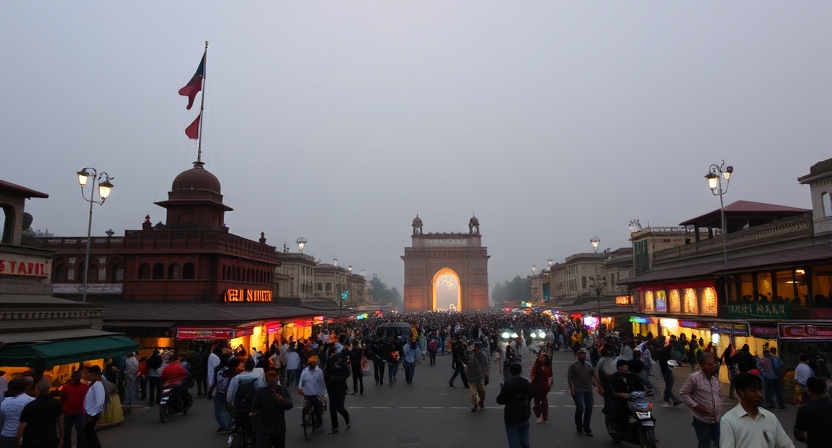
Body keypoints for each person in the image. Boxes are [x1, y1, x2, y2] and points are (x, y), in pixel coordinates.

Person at [720, 372, 794, 448]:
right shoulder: (729, 420)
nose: (759, 394)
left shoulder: (770, 417)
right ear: (741, 393)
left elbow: (786, 445)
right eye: (753, 390)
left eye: (760, 390)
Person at [679, 352, 722, 448]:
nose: (712, 366)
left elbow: (717, 396)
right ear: (702, 365)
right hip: (701, 421)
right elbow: (683, 393)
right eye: (708, 364)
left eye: (713, 363)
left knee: (720, 444)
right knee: (704, 444)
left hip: (716, 420)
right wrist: (696, 406)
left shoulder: (715, 380)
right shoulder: (694, 378)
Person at [250, 370, 293, 448]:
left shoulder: (282, 391)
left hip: (278, 428)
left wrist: (282, 400)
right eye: (268, 377)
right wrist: (254, 415)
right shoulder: (261, 392)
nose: (271, 380)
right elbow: (254, 407)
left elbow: (289, 406)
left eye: (273, 377)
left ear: (277, 378)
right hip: (264, 428)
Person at [604, 359, 648, 434]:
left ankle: (648, 429)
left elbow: (645, 384)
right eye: (623, 367)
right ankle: (620, 429)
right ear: (618, 368)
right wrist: (619, 394)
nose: (625, 369)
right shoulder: (612, 378)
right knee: (621, 409)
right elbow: (611, 390)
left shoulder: (634, 376)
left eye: (626, 367)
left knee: (647, 409)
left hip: (633, 398)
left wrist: (649, 390)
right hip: (619, 399)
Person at [16, 378, 63, 448]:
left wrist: (18, 441)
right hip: (50, 439)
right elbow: (60, 420)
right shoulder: (56, 403)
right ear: (49, 388)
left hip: (33, 441)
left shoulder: (30, 406)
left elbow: (22, 425)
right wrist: (61, 438)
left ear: (37, 389)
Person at [496, 363, 534, 448]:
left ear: (511, 372)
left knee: (514, 443)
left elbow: (500, 400)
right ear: (520, 371)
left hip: (512, 418)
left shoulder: (508, 384)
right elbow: (532, 394)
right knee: (525, 441)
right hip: (524, 416)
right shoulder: (527, 383)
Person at [567, 346, 601, 436]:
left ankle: (587, 427)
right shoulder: (573, 366)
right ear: (577, 356)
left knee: (589, 408)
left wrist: (596, 384)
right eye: (580, 355)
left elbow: (593, 375)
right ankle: (579, 426)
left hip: (588, 389)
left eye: (583, 355)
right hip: (578, 389)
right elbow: (569, 379)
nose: (582, 357)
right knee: (580, 407)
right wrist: (571, 389)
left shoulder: (589, 365)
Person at [793, 376, 832, 447]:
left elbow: (798, 434)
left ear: (809, 392)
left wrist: (807, 442)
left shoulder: (804, 409)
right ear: (825, 390)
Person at [0, 379, 34, 448]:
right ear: (26, 388)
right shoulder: (32, 401)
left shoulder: (4, 402)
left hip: (6, 435)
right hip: (25, 436)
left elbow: (1, 420)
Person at [324, 350, 351, 436]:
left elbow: (347, 374)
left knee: (339, 407)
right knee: (332, 409)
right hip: (332, 389)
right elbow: (326, 376)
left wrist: (335, 378)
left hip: (340, 389)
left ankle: (347, 420)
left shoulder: (342, 365)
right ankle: (335, 427)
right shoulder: (329, 365)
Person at [60, 370, 88, 448]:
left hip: (79, 412)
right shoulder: (66, 388)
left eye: (77, 376)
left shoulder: (85, 387)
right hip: (69, 412)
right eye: (74, 376)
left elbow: (62, 399)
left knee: (80, 432)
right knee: (68, 432)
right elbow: (63, 399)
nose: (75, 378)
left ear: (79, 377)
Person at [297, 356, 326, 429]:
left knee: (317, 408)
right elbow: (301, 380)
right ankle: (305, 420)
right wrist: (300, 388)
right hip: (307, 392)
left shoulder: (319, 371)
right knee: (305, 406)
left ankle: (319, 421)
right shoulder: (305, 371)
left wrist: (323, 393)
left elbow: (321, 383)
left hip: (316, 393)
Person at [83, 366, 106, 448]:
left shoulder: (98, 386)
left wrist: (92, 415)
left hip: (93, 414)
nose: (88, 376)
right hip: (89, 412)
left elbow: (99, 402)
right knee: (89, 432)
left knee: (88, 432)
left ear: (93, 375)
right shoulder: (92, 385)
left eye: (89, 374)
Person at [658, 337, 683, 408]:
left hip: (666, 369)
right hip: (666, 370)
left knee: (669, 385)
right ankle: (667, 400)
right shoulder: (668, 351)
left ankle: (673, 399)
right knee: (669, 385)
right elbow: (666, 361)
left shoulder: (667, 350)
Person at [466, 341, 490, 413]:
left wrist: (487, 374)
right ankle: (475, 404)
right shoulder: (470, 356)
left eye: (475, 347)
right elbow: (467, 365)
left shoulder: (483, 356)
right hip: (471, 377)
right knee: (473, 393)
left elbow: (486, 365)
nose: (473, 348)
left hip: (480, 376)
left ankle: (481, 401)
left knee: (481, 391)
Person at [529, 352, 552, 423]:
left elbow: (550, 377)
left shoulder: (548, 368)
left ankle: (545, 417)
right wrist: (531, 381)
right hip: (536, 385)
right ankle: (539, 416)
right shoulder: (536, 366)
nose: (539, 358)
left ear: (544, 358)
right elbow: (532, 374)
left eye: (541, 357)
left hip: (544, 386)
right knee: (537, 402)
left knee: (544, 402)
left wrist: (549, 385)